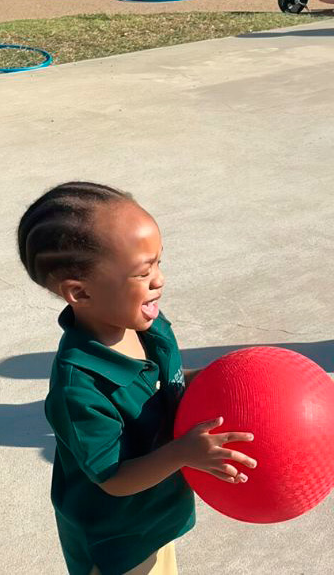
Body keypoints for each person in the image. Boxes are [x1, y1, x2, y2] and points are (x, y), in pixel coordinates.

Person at [17, 182, 257, 574]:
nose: (159, 280)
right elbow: (113, 478)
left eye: (159, 262)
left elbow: (169, 382)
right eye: (143, 272)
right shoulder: (79, 387)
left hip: (155, 515)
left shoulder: (145, 326)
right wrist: (182, 452)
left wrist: (216, 379)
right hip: (116, 539)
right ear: (80, 292)